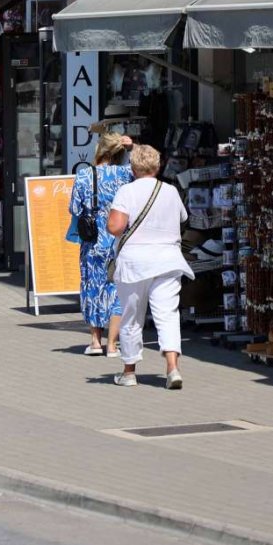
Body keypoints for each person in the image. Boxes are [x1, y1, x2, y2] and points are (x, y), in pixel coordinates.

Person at [107, 145, 193, 389]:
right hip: (167, 259)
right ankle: (172, 368)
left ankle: (129, 372)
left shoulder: (126, 191)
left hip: (135, 262)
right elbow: (182, 219)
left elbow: (115, 227)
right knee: (167, 315)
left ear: (133, 168)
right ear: (158, 166)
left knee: (132, 317)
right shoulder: (170, 191)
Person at [69, 133, 133, 357]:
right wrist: (132, 146)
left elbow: (75, 209)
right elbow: (144, 166)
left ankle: (95, 341)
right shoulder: (125, 174)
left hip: (93, 241)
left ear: (100, 151)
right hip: (118, 240)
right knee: (117, 289)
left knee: (92, 287)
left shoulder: (85, 175)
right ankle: (113, 345)